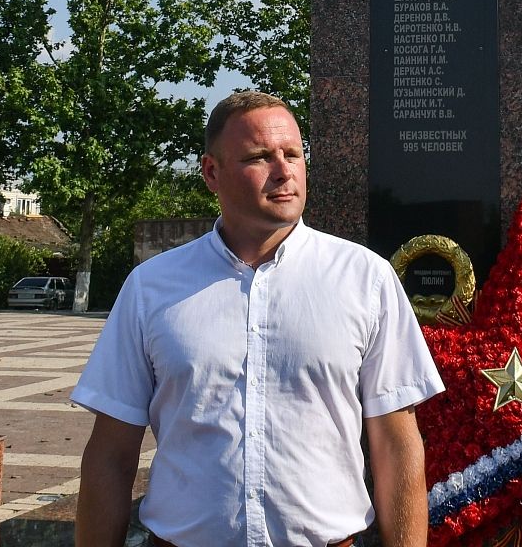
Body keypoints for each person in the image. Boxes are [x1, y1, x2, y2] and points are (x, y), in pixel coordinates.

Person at [72, 91, 444, 547]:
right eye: (260, 157)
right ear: (212, 171)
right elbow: (111, 453)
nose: (284, 171)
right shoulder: (151, 288)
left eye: (293, 153)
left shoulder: (365, 278)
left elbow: (396, 444)